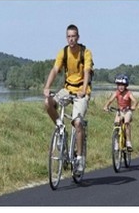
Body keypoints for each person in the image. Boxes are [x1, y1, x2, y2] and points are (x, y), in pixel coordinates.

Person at [43, 24, 93, 173]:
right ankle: (60, 127)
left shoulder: (86, 52)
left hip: (82, 91)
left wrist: (83, 90)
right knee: (48, 103)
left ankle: (79, 159)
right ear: (66, 38)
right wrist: (47, 87)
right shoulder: (63, 52)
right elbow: (55, 69)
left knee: (77, 123)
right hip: (67, 89)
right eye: (69, 36)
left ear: (78, 37)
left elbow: (87, 72)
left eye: (74, 36)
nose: (71, 39)